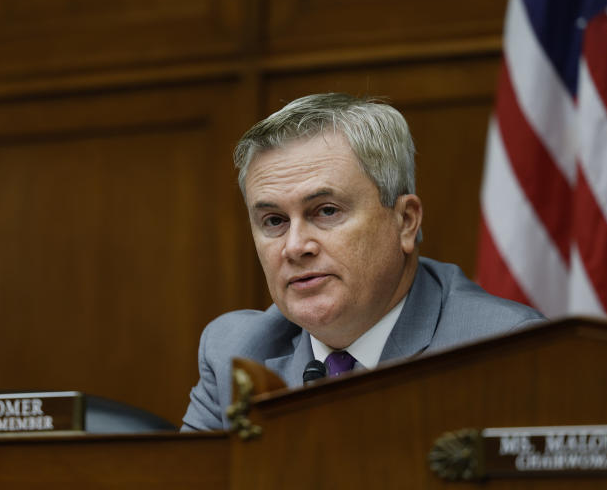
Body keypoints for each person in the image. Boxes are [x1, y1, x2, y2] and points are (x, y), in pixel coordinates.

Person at [182, 93, 544, 431]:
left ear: (405, 221)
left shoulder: (506, 352)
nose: (294, 247)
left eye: (326, 211)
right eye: (274, 221)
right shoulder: (234, 353)